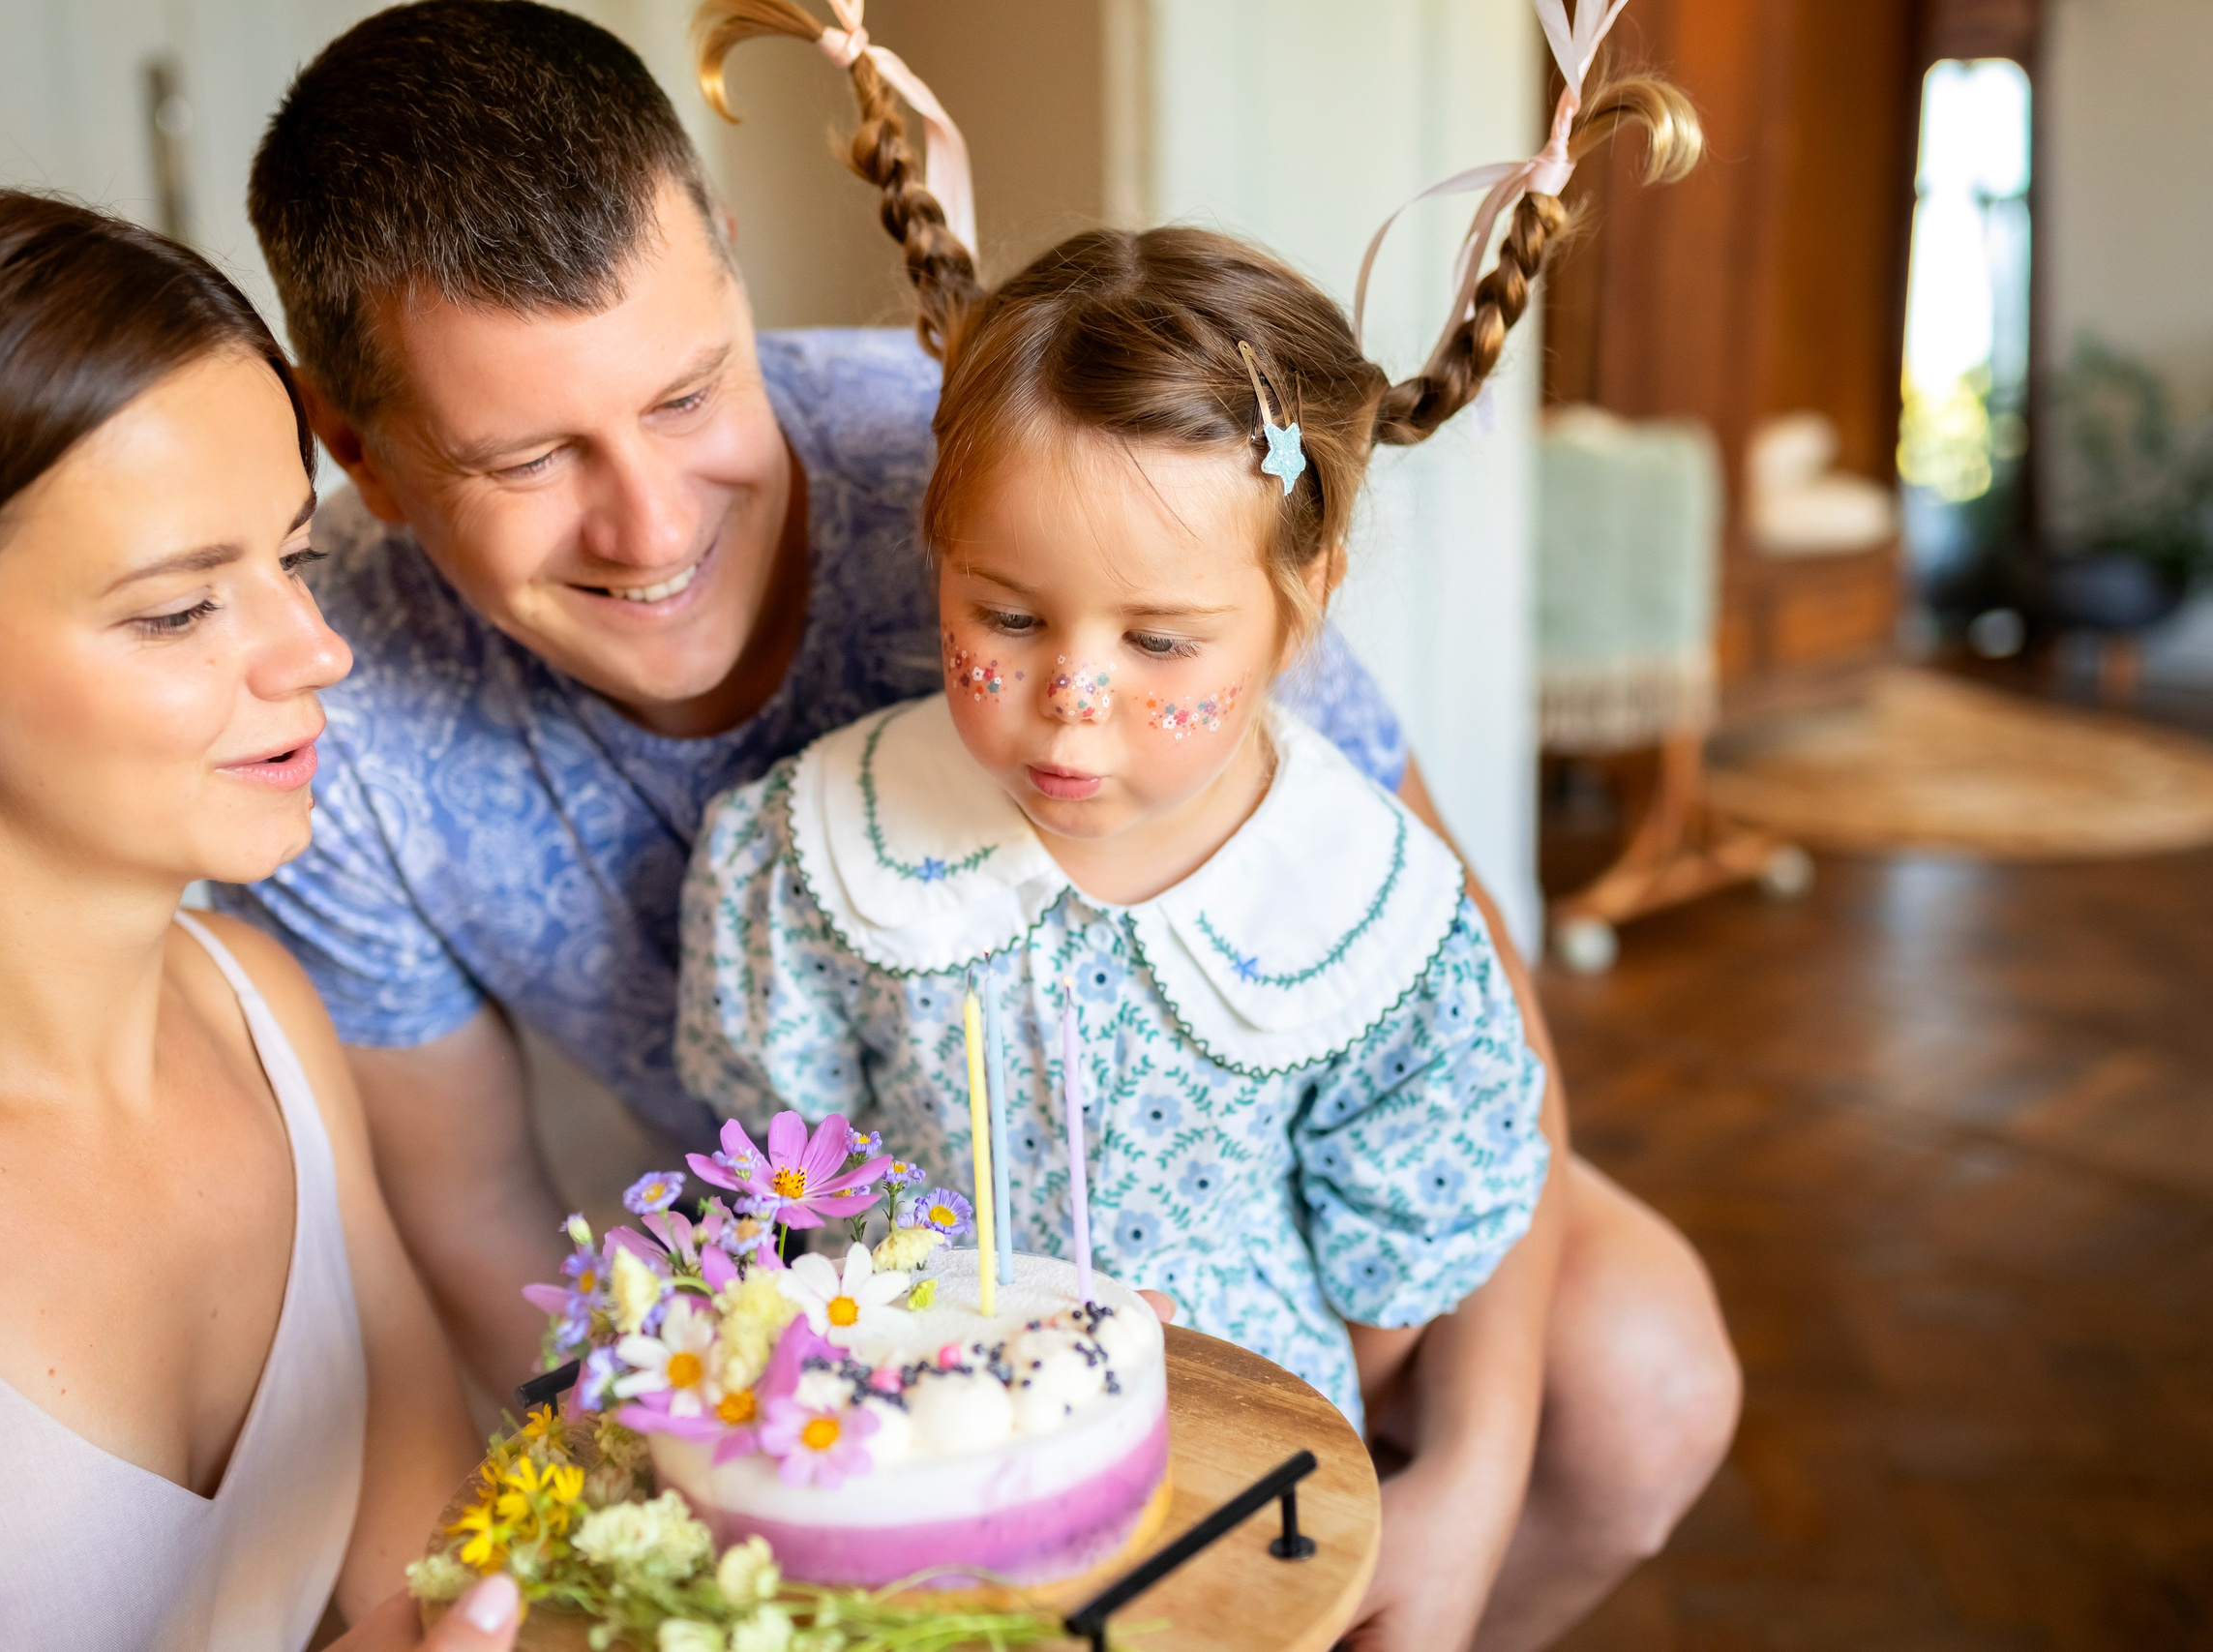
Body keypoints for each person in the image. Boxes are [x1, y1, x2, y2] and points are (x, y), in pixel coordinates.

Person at [224, 3, 1740, 1646]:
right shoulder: (345, 725)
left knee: (1637, 1375)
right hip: (868, 1292)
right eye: (527, 455)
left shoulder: (1056, 475)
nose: (651, 524)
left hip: (1284, 1208)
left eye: (685, 394)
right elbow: (471, 1199)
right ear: (352, 448)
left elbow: (1441, 996)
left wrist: (1472, 1480)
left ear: (731, 269)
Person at [670, 12, 1711, 1651]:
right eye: (1003, 613)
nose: (1070, 696)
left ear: (1304, 608)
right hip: (919, 1492)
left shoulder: (1368, 912)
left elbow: (1408, 1270)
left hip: (1250, 1489)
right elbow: (784, 1203)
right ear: (934, 548)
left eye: (1162, 644)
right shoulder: (816, 862)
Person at [0, 192, 515, 1652]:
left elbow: (439, 1599)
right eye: (176, 612)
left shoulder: (260, 1010)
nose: (317, 650)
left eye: (292, 559)